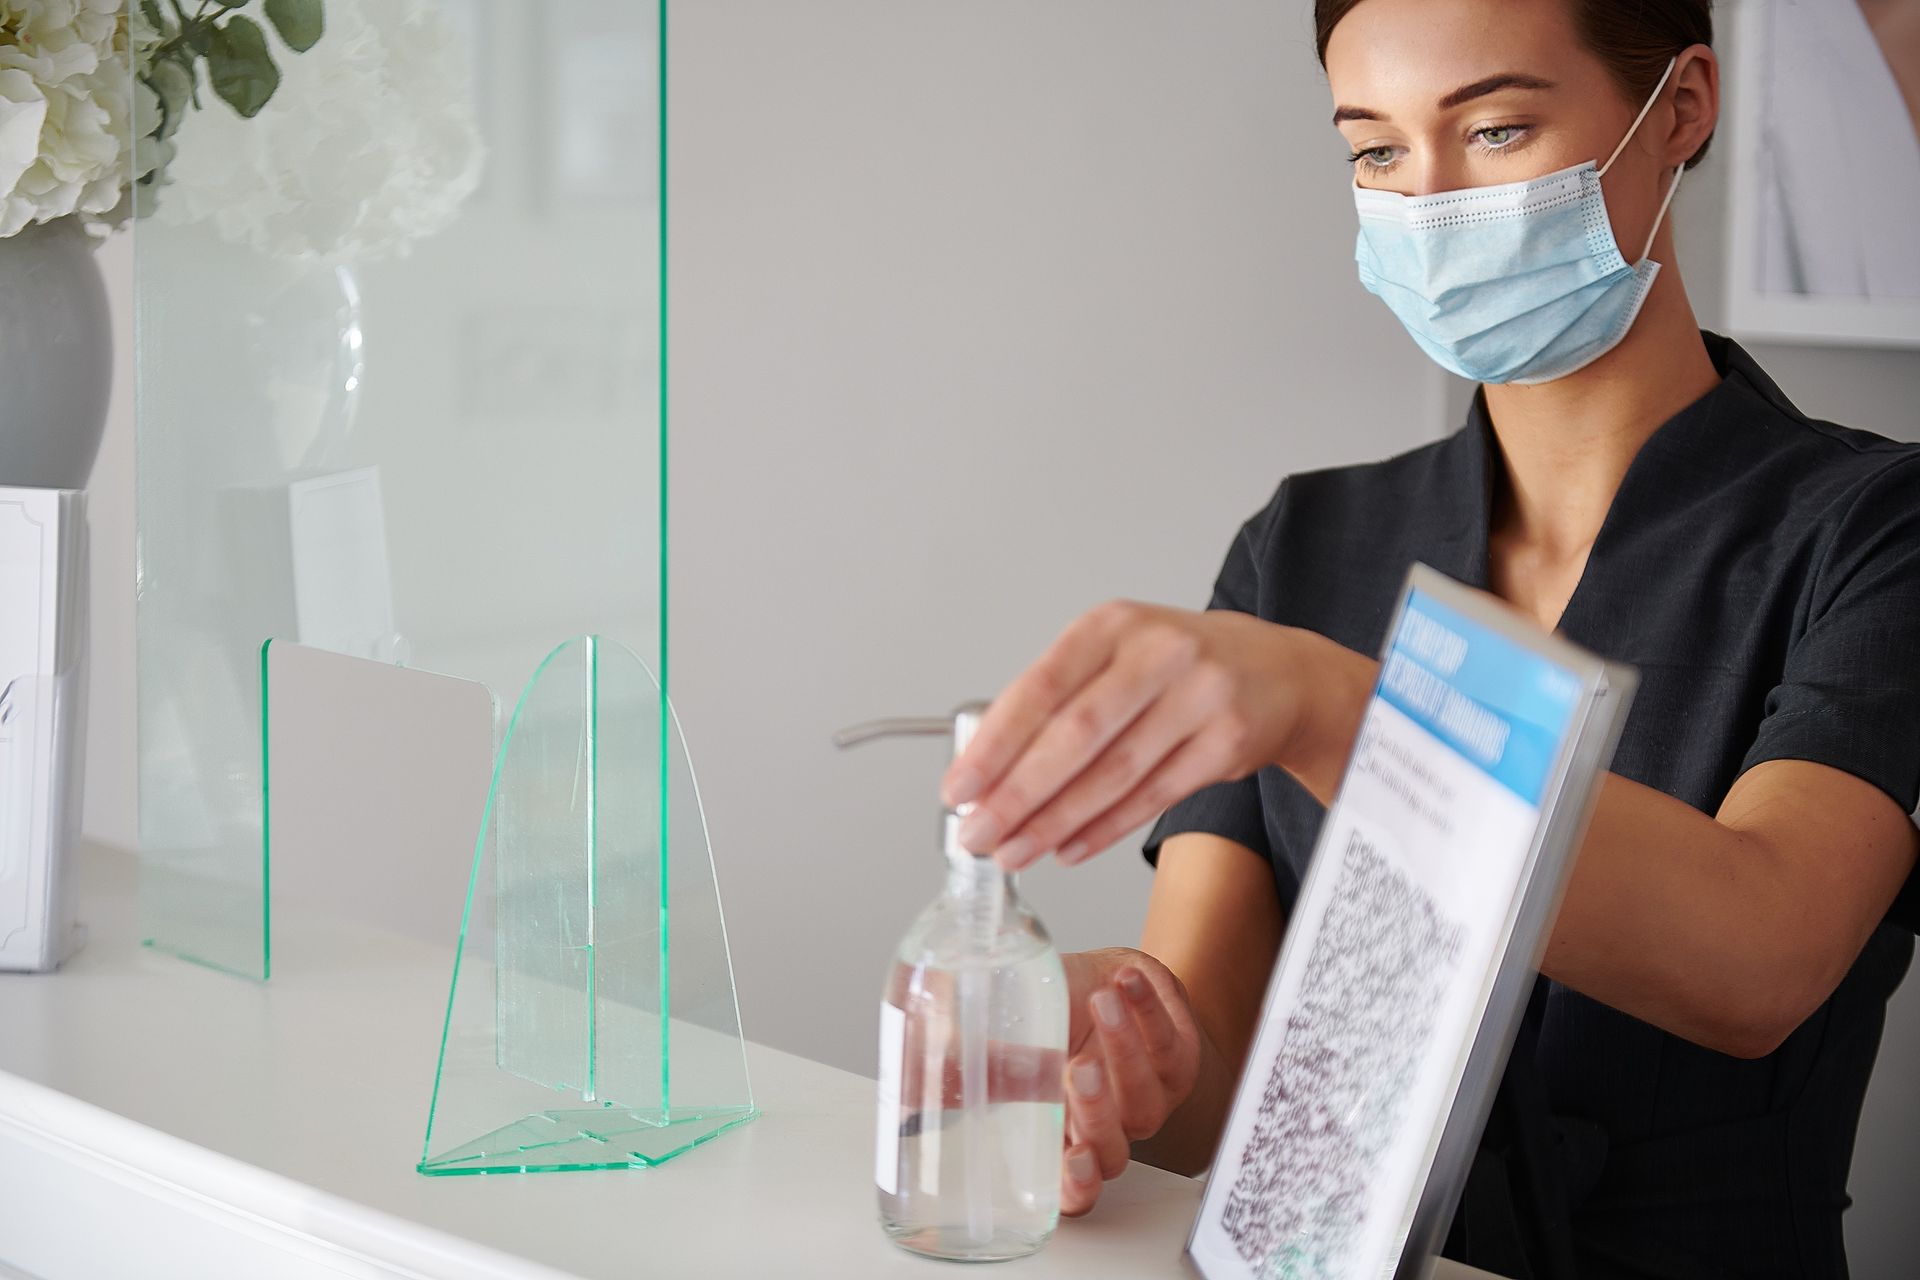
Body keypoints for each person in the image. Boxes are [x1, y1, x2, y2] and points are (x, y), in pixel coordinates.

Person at [938, 1, 1920, 1275]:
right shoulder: (1305, 542)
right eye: (1377, 153)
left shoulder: (1873, 529)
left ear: (1680, 109)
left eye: (1497, 128)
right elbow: (1217, 1048)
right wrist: (1112, 1047)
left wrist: (1337, 707)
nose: (1430, 205)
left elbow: (1762, 955)